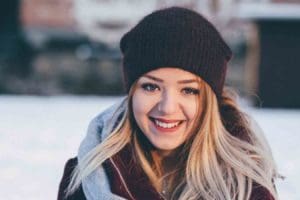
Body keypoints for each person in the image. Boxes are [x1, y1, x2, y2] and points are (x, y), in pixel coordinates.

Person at [58, 7, 279, 200]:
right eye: (151, 87)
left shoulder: (247, 187)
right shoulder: (85, 179)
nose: (167, 107)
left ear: (210, 102)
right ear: (132, 92)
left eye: (188, 90)